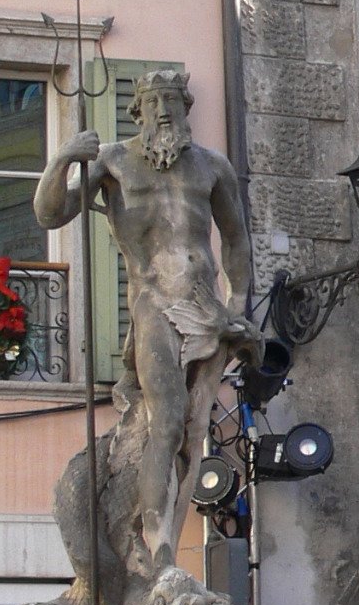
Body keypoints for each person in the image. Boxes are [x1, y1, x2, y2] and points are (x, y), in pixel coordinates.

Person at [34, 69, 260, 575]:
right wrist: (64, 159)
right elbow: (50, 216)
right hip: (154, 302)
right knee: (166, 419)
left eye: (173, 101)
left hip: (207, 307)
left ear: (186, 108)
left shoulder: (211, 168)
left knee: (196, 427)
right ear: (137, 110)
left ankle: (168, 536)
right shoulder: (114, 161)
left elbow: (238, 240)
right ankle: (159, 551)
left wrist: (238, 307)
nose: (163, 111)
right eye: (153, 101)